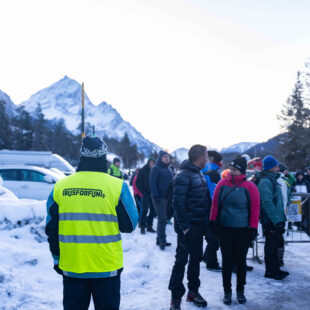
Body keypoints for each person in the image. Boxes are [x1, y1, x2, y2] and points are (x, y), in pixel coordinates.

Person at [45, 136, 138, 310]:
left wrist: (57, 259)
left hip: (72, 266)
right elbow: (130, 225)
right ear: (104, 157)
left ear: (82, 156)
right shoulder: (117, 186)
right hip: (107, 267)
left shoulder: (60, 187)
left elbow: (51, 229)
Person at [209, 156, 260, 305]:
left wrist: (253, 227)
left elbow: (255, 209)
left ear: (241, 171)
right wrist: (213, 221)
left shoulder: (250, 187)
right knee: (227, 261)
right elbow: (215, 204)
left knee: (240, 261)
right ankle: (227, 291)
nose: (231, 172)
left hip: (242, 230)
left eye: (234, 170)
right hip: (225, 229)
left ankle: (240, 291)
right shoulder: (222, 184)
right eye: (230, 169)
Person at [169, 145, 211, 310]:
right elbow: (177, 204)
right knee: (180, 261)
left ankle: (193, 291)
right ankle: (175, 298)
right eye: (206, 156)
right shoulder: (183, 175)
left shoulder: (199, 174)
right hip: (187, 228)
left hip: (199, 226)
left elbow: (204, 201)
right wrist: (185, 227)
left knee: (195, 260)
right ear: (200, 157)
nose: (207, 159)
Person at [258, 156, 288, 281]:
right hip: (270, 219)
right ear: (271, 168)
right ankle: (270, 270)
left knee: (275, 244)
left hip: (275, 218)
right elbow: (267, 203)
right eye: (276, 166)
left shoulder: (272, 179)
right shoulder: (266, 182)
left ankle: (275, 268)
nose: (278, 168)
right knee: (271, 245)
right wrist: (276, 221)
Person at [201, 150, 222, 272]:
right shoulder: (213, 173)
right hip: (209, 209)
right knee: (213, 238)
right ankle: (211, 263)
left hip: (203, 208)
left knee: (211, 237)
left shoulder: (204, 171)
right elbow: (214, 194)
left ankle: (206, 257)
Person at [150, 151, 173, 249]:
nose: (167, 158)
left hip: (167, 197)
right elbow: (152, 183)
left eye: (168, 157)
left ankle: (160, 239)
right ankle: (161, 241)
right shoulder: (156, 168)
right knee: (162, 219)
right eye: (164, 157)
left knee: (164, 219)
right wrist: (156, 196)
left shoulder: (168, 169)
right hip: (159, 197)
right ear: (160, 158)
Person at [136, 158, 156, 234]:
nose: (152, 164)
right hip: (146, 194)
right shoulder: (143, 170)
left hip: (153, 194)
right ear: (148, 163)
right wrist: (143, 192)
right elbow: (138, 183)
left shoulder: (155, 171)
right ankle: (142, 227)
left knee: (153, 211)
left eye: (153, 162)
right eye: (151, 162)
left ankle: (150, 226)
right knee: (144, 210)